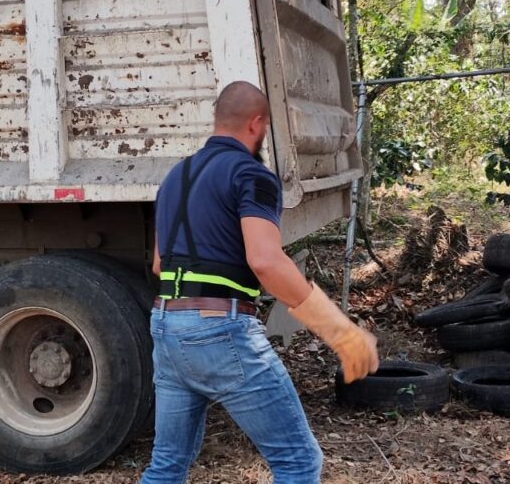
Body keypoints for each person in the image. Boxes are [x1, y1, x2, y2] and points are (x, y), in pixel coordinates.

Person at [140, 81, 379, 484]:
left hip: (166, 328)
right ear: (257, 123)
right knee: (297, 463)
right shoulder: (252, 176)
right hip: (220, 331)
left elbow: (161, 265)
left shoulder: (174, 179)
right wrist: (340, 332)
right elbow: (266, 261)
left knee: (166, 467)